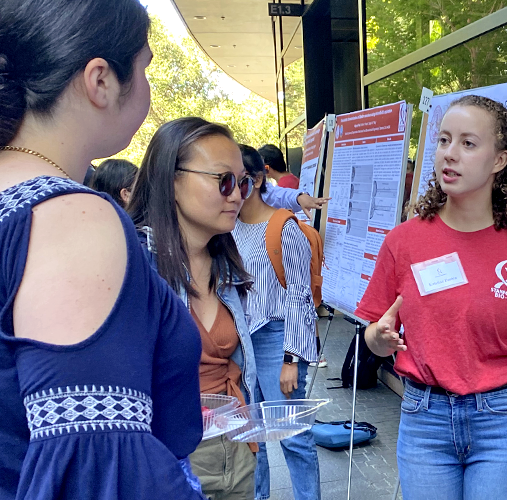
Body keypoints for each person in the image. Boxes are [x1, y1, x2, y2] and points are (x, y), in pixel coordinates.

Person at [0, 1, 205, 499]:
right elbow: (98, 469)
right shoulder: (71, 216)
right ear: (100, 81)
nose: (150, 90)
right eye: (144, 68)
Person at [355, 95, 507, 500]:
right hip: (424, 421)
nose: (450, 154)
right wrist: (378, 339)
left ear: (499, 160)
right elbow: (374, 332)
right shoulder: (404, 241)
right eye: (444, 140)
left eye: (468, 143)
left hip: (501, 422)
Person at [128, 117, 263, 500]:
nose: (236, 195)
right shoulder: (133, 261)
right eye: (223, 181)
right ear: (171, 179)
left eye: (243, 182)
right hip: (167, 454)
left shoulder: (228, 266)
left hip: (236, 443)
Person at [233, 144, 321, 500]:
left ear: (254, 181)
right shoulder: (227, 229)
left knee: (294, 439)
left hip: (275, 340)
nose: (226, 191)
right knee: (252, 441)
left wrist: (290, 360)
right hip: (240, 344)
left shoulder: (285, 229)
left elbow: (300, 298)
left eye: (232, 181)